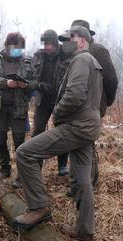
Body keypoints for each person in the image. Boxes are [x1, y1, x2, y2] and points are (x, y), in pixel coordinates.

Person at [12, 26, 103, 241]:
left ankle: (39, 208)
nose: (65, 44)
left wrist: (57, 112)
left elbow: (73, 95)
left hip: (76, 125)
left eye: (69, 39)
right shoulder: (92, 62)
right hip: (87, 125)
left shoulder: (82, 60)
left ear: (81, 41)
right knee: (82, 179)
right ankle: (85, 233)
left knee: (25, 153)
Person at [61, 20, 118, 197]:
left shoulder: (98, 50)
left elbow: (111, 80)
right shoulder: (73, 53)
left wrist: (104, 102)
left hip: (91, 105)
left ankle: (88, 183)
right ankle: (78, 182)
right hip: (76, 105)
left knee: (86, 142)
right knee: (77, 141)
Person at [0, 32, 36, 188]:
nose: (17, 51)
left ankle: (22, 175)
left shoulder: (28, 62)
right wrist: (5, 83)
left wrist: (26, 85)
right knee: (0, 140)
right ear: (7, 46)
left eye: (20, 48)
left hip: (19, 108)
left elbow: (35, 83)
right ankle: (4, 169)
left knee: (20, 143)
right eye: (14, 48)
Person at [32, 29, 70, 176]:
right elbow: (31, 78)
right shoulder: (38, 56)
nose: (47, 47)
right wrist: (39, 85)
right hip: (42, 101)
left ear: (55, 43)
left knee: (62, 132)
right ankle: (36, 166)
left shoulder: (66, 56)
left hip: (61, 101)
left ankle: (62, 166)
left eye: (49, 44)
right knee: (37, 132)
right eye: (44, 44)